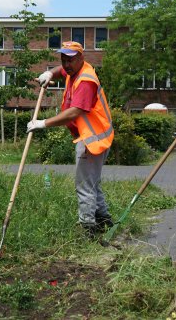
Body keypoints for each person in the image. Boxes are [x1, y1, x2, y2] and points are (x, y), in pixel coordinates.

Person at [26, 41, 115, 239]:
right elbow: (62, 71)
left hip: (92, 140)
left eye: (70, 60)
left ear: (81, 58)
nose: (66, 64)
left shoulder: (85, 80)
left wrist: (43, 123)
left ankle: (87, 230)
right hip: (92, 136)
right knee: (92, 183)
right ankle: (105, 222)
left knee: (83, 185)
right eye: (63, 59)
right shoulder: (75, 70)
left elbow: (73, 113)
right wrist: (50, 74)